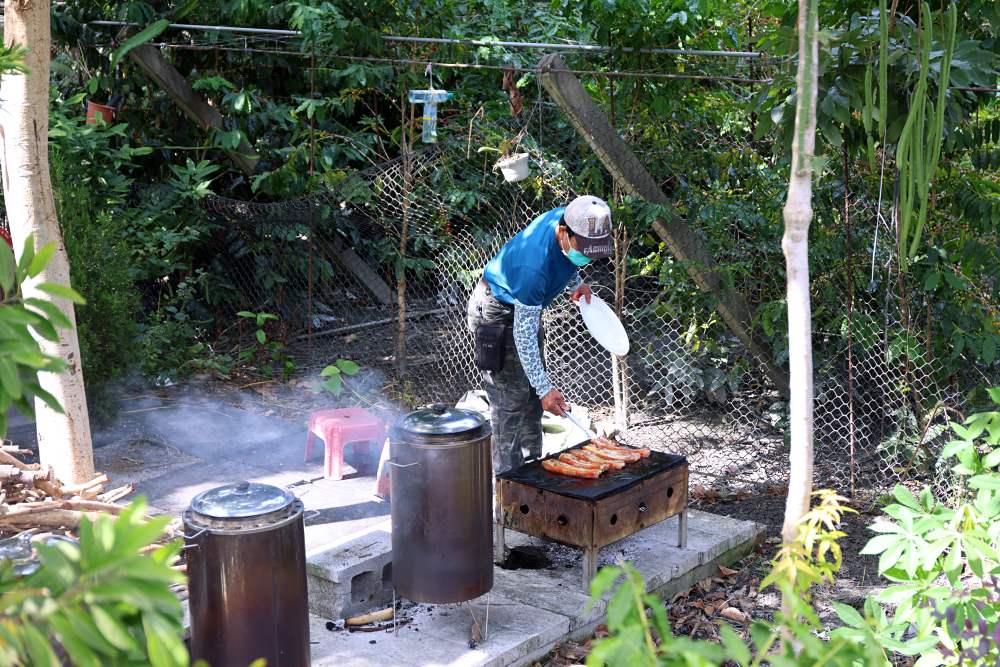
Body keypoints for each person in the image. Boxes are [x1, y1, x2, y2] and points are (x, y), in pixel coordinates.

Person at [466, 195, 613, 474]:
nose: (588, 257)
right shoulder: (533, 268)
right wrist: (546, 388)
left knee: (532, 395)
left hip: (522, 306)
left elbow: (567, 260)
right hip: (496, 310)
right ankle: (506, 484)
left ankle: (532, 472)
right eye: (585, 250)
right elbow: (523, 335)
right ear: (563, 232)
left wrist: (576, 283)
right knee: (510, 399)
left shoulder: (577, 217)